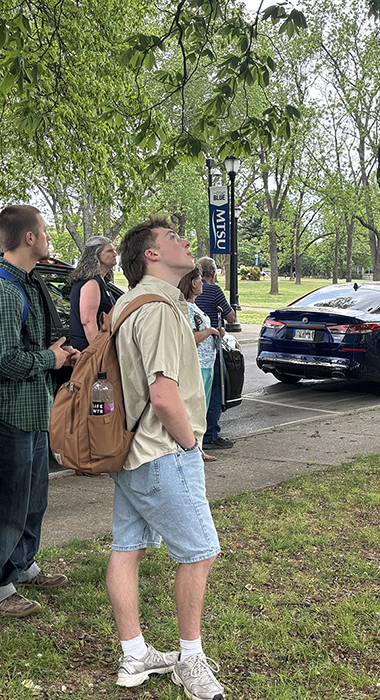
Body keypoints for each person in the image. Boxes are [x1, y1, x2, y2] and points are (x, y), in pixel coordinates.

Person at [107, 216, 225, 699]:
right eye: (173, 237)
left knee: (126, 549)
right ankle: (190, 660)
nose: (185, 242)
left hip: (129, 451)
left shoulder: (129, 304)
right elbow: (163, 394)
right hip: (161, 450)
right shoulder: (156, 309)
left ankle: (134, 656)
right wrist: (190, 442)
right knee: (200, 552)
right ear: (151, 255)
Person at [0, 205, 78, 617]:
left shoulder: (27, 283)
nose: (49, 238)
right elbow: (1, 360)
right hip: (3, 416)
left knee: (30, 501)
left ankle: (21, 567)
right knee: (0, 505)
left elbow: (29, 348)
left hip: (31, 412)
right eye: (45, 231)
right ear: (29, 237)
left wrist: (58, 355)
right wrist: (51, 360)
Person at [179, 266, 221, 462]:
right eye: (198, 280)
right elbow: (192, 336)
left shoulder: (194, 306)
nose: (202, 283)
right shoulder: (186, 308)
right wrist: (211, 331)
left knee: (201, 407)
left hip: (207, 362)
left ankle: (199, 447)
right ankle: (194, 448)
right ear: (192, 283)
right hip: (198, 363)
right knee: (195, 408)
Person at [194, 257, 234, 450]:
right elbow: (230, 316)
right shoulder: (214, 290)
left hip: (191, 349)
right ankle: (210, 433)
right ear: (213, 274)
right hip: (209, 348)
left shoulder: (184, 292)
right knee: (215, 389)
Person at [68, 236, 117, 351]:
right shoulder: (91, 282)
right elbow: (88, 322)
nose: (115, 254)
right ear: (96, 255)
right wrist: (99, 354)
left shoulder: (100, 281)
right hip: (87, 349)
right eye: (110, 251)